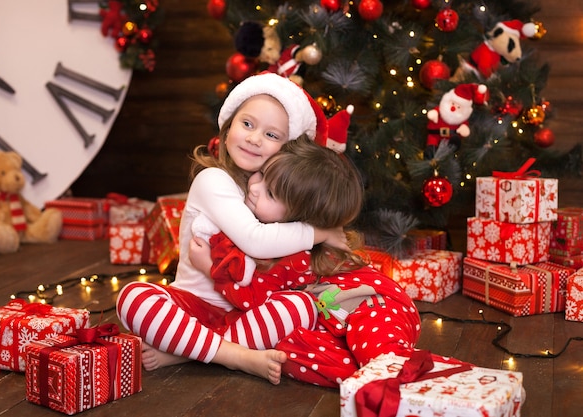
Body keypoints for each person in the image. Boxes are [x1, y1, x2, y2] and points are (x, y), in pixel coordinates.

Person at [116, 72, 346, 385]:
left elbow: (274, 274)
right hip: (190, 306)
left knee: (302, 306)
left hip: (243, 313)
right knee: (134, 298)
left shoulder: (270, 196)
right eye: (247, 124)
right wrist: (321, 232)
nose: (254, 138)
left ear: (288, 151)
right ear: (226, 131)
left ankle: (189, 350)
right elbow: (256, 241)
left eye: (272, 135)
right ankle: (236, 356)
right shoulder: (214, 181)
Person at [189, 137, 422, 388]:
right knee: (292, 353)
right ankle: (197, 350)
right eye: (262, 174)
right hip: (329, 323)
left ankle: (403, 384)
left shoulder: (295, 251)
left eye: (270, 193)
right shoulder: (271, 235)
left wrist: (210, 270)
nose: (254, 187)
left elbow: (253, 299)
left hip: (376, 305)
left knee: (383, 364)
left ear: (299, 219)